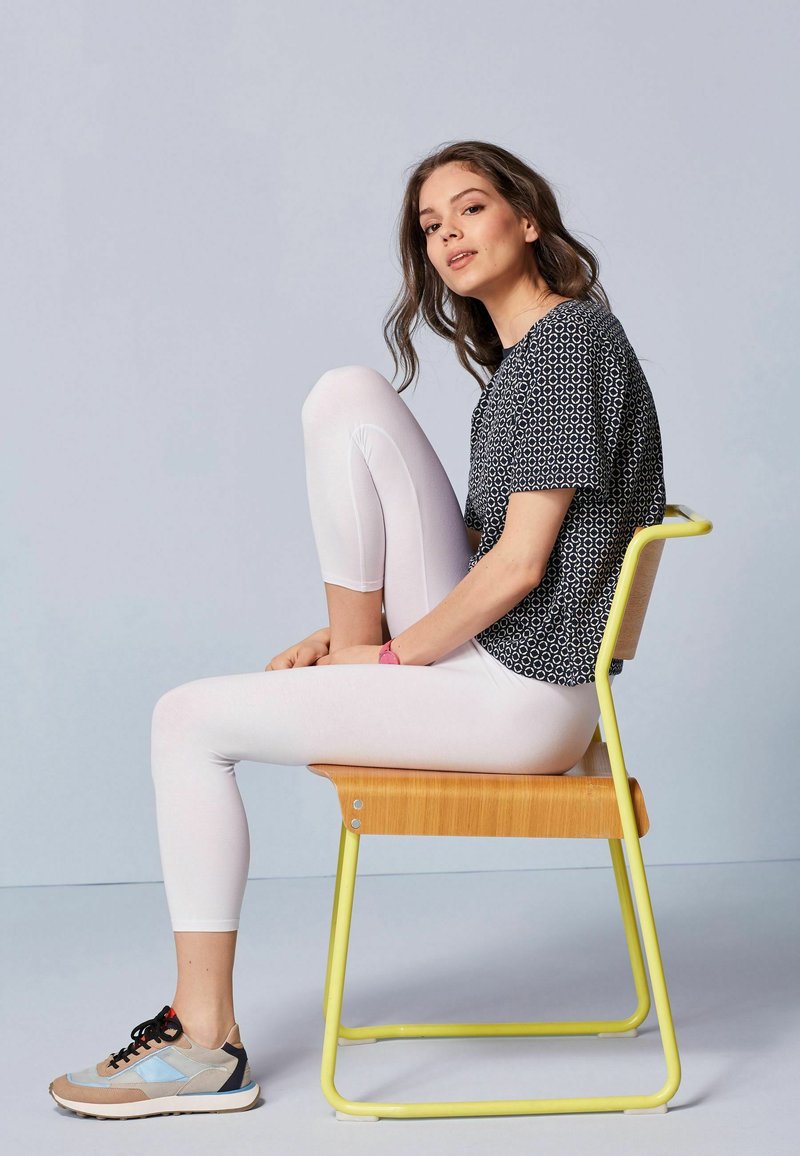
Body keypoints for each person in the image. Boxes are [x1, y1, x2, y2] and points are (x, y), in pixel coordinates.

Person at [49, 139, 666, 1120]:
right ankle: (203, 1030)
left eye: (470, 209)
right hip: (503, 671)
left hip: (525, 697)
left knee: (185, 722)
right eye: (430, 225)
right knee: (345, 393)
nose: (447, 235)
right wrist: (344, 639)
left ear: (527, 220)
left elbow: (517, 566)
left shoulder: (567, 343)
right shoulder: (529, 359)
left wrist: (378, 657)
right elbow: (482, 548)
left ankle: (204, 1042)